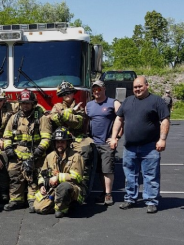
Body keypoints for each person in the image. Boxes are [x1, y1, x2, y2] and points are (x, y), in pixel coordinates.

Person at [110, 76, 170, 214]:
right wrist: (114, 137)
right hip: (129, 147)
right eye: (135, 87)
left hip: (149, 147)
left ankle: (151, 201)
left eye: (140, 86)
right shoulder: (128, 101)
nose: (137, 89)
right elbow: (119, 119)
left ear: (147, 86)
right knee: (130, 175)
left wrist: (162, 139)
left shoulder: (156, 101)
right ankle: (131, 198)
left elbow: (165, 120)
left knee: (150, 175)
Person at [3, 89, 52, 212]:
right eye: (23, 103)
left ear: (33, 104)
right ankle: (16, 200)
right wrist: (8, 148)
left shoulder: (41, 118)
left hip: (35, 153)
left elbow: (47, 137)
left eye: (28, 103)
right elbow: (7, 136)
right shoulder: (14, 118)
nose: (25, 105)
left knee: (34, 175)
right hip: (17, 153)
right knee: (14, 175)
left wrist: (39, 151)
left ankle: (32, 200)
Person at [50, 81, 96, 199]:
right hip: (61, 139)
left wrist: (64, 115)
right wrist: (71, 111)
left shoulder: (80, 107)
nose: (67, 95)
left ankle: (82, 187)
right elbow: (55, 120)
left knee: (84, 153)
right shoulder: (56, 107)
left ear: (73, 93)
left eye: (69, 92)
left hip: (76, 139)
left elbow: (77, 123)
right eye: (64, 93)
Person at [32, 128, 84, 218]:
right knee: (39, 208)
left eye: (62, 142)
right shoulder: (50, 156)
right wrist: (42, 185)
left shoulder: (76, 156)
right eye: (58, 142)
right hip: (54, 188)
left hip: (73, 188)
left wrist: (58, 177)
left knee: (64, 186)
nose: (60, 145)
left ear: (67, 143)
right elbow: (42, 173)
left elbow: (77, 177)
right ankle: (56, 203)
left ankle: (63, 209)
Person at [85, 80, 120, 206]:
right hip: (93, 143)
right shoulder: (89, 105)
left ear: (104, 89)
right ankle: (104, 192)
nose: (96, 92)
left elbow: (121, 119)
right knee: (99, 170)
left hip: (107, 143)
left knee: (107, 170)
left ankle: (108, 194)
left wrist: (116, 137)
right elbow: (86, 122)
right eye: (94, 89)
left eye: (99, 89)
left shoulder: (113, 103)